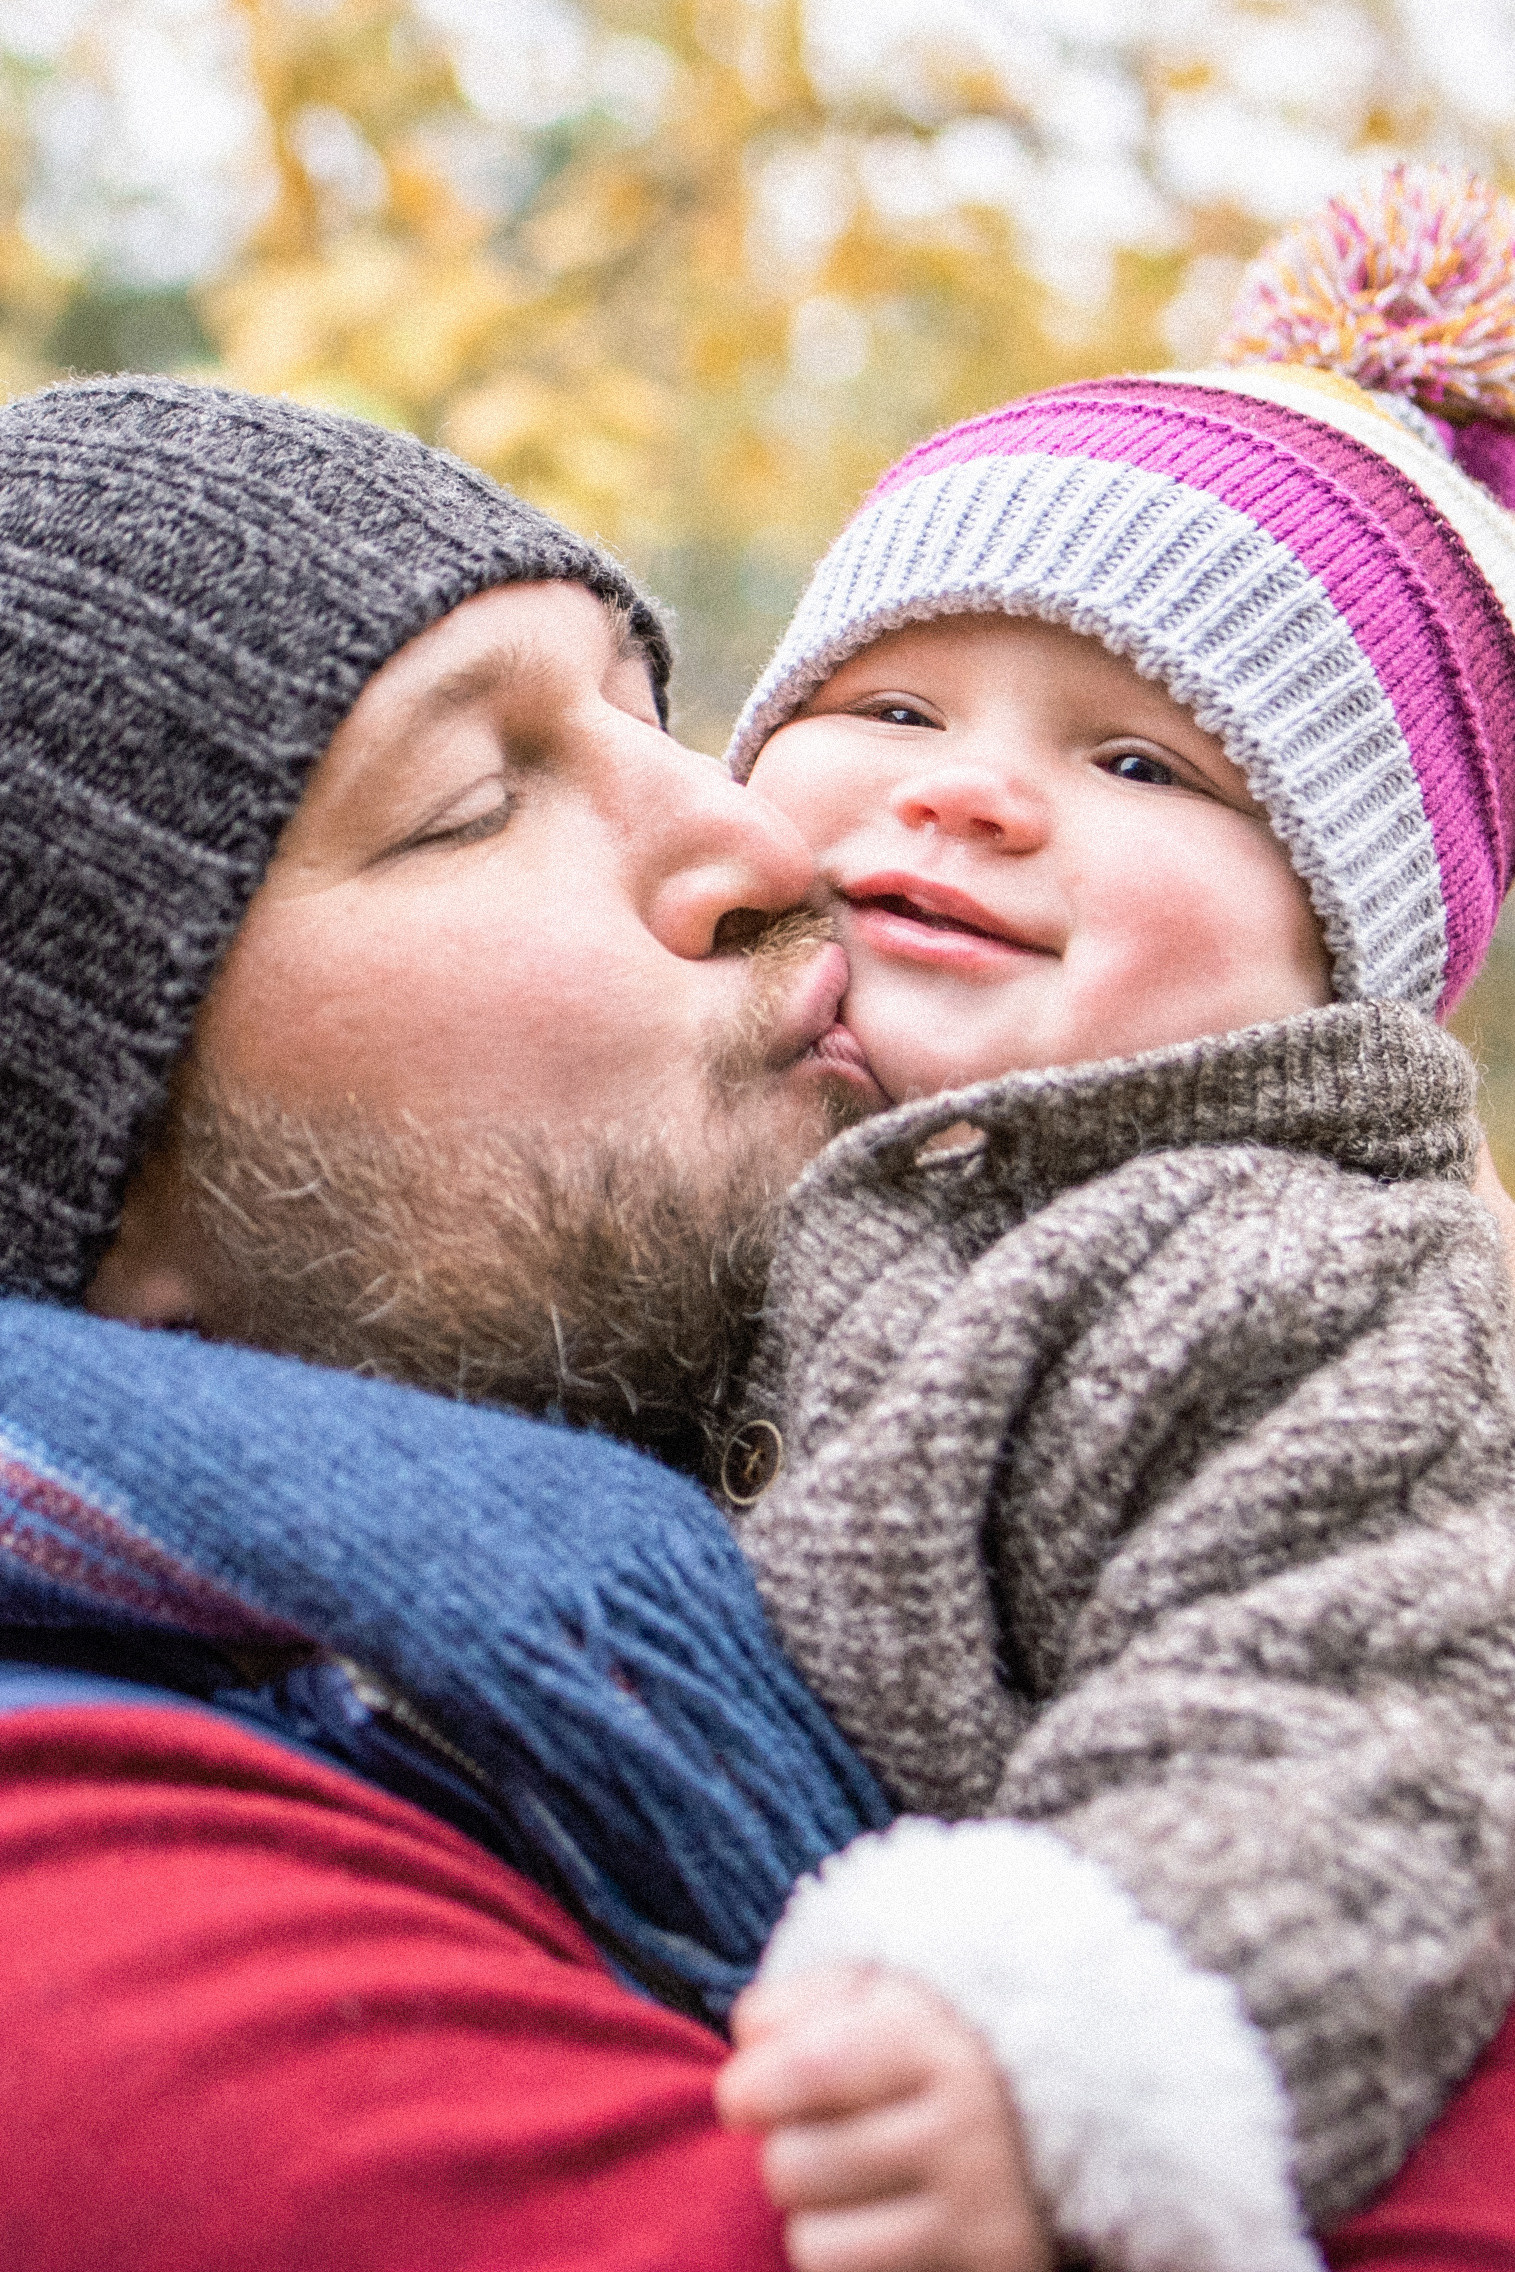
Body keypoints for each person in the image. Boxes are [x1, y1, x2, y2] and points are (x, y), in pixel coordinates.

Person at [0, 343, 1510, 2272]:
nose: (772, 844)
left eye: (661, 720)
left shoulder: (1238, 1296)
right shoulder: (88, 1896)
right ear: (95, 1151)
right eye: (472, 804)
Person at [714, 164, 1515, 2272]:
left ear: (1342, 948)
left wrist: (1054, 2051)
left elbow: (1363, 1718)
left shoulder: (1302, 1274)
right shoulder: (666, 1121)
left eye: (1143, 764)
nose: (965, 789)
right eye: (890, 709)